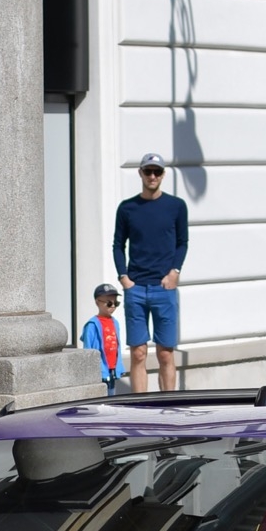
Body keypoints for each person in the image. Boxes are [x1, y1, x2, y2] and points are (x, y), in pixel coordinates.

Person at [114, 153, 188, 393]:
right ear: (141, 174)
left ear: (163, 174)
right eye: (148, 171)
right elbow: (118, 245)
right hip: (136, 289)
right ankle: (140, 408)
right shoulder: (127, 208)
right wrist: (124, 278)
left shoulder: (176, 206)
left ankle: (169, 408)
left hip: (164, 289)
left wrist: (174, 272)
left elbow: (182, 242)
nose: (153, 176)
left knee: (165, 353)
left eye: (157, 171)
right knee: (138, 353)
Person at [78, 284, 122, 393]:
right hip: (99, 371)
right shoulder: (92, 325)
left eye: (116, 303)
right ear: (97, 302)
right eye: (109, 303)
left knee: (111, 399)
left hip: (112, 369)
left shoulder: (115, 322)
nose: (112, 306)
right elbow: (88, 350)